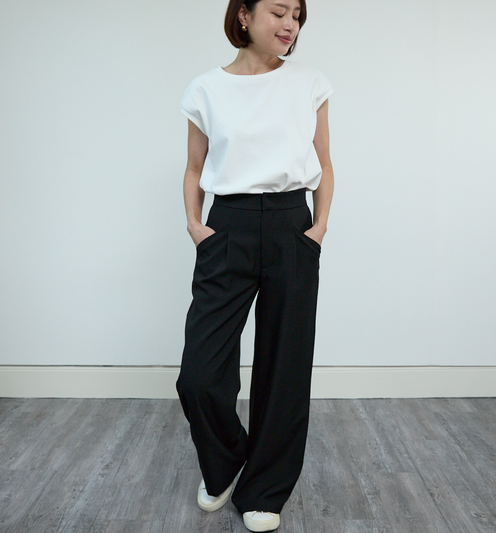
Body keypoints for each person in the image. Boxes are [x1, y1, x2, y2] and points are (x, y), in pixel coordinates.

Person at [176, 0, 333, 530]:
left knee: (285, 366)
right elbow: (194, 167)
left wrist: (318, 228)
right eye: (279, 12)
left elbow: (325, 163)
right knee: (199, 376)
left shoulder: (310, 82)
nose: (290, 25)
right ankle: (224, 464)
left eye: (298, 16)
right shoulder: (206, 88)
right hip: (228, 227)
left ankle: (265, 488)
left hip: (292, 225)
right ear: (243, 15)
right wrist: (196, 225)